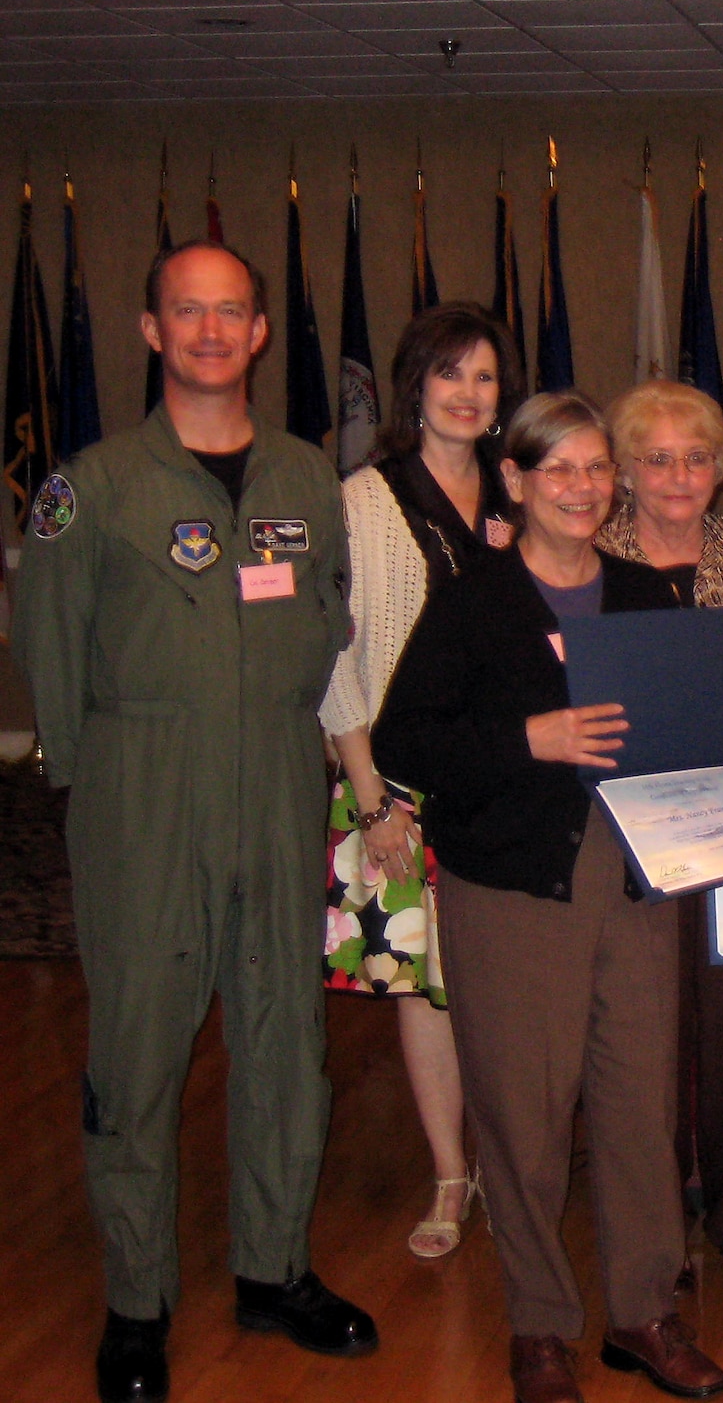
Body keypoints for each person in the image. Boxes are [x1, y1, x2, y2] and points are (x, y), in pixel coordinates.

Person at [15, 239, 376, 1403]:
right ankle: (136, 1299)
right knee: (138, 1047)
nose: (212, 331)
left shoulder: (304, 478)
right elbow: (49, 637)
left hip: (275, 776)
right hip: (143, 783)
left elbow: (327, 618)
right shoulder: (95, 483)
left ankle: (274, 1272)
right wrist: (93, 776)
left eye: (232, 312)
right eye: (188, 311)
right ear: (151, 330)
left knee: (285, 1038)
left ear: (261, 332)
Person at [373, 392, 723, 1403]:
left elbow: (686, 738)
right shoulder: (475, 603)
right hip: (515, 885)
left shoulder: (644, 595)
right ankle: (538, 1327)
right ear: (517, 484)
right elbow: (406, 743)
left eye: (594, 469)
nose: (580, 489)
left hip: (634, 878)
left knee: (636, 1106)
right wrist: (525, 740)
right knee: (525, 1118)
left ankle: (643, 1313)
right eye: (556, 471)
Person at [320, 302, 524, 1260]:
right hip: (393, 780)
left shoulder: (514, 492)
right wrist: (371, 795)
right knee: (419, 987)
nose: (468, 393)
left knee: (502, 977)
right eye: (450, 374)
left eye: (484, 377)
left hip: (498, 770)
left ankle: (517, 1163)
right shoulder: (365, 496)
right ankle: (451, 1173)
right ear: (415, 386)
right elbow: (336, 655)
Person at [597, 379, 723, 1289]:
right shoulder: (583, 560)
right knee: (642, 1039)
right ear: (624, 472)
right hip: (618, 841)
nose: (678, 475)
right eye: (656, 457)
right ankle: (654, 1222)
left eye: (696, 457)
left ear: (720, 468)